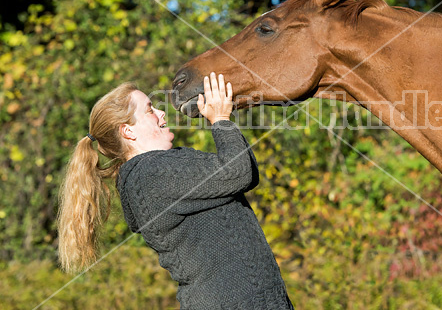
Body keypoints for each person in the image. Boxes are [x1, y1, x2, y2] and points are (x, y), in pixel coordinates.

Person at [57, 73, 294, 309]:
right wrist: (221, 120)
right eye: (149, 110)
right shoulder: (150, 174)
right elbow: (238, 172)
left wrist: (224, 121)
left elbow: (243, 171)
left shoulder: (162, 167)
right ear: (128, 131)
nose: (161, 114)